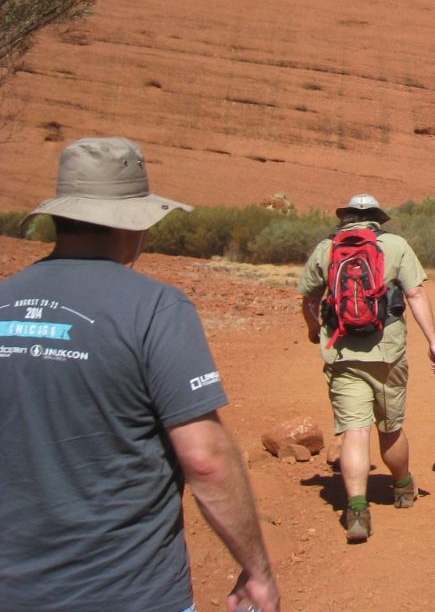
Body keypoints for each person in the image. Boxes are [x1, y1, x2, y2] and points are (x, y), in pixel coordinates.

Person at [0, 136, 280, 612]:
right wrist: (257, 572)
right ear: (134, 225)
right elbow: (206, 460)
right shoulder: (155, 307)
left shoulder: (5, 298)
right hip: (130, 592)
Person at [299, 193, 435, 544]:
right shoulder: (394, 245)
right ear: (377, 218)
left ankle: (358, 510)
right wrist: (433, 341)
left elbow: (308, 298)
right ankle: (403, 487)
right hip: (387, 352)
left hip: (342, 353)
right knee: (390, 427)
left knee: (355, 431)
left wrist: (313, 329)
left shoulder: (327, 248)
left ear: (347, 216)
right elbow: (416, 295)